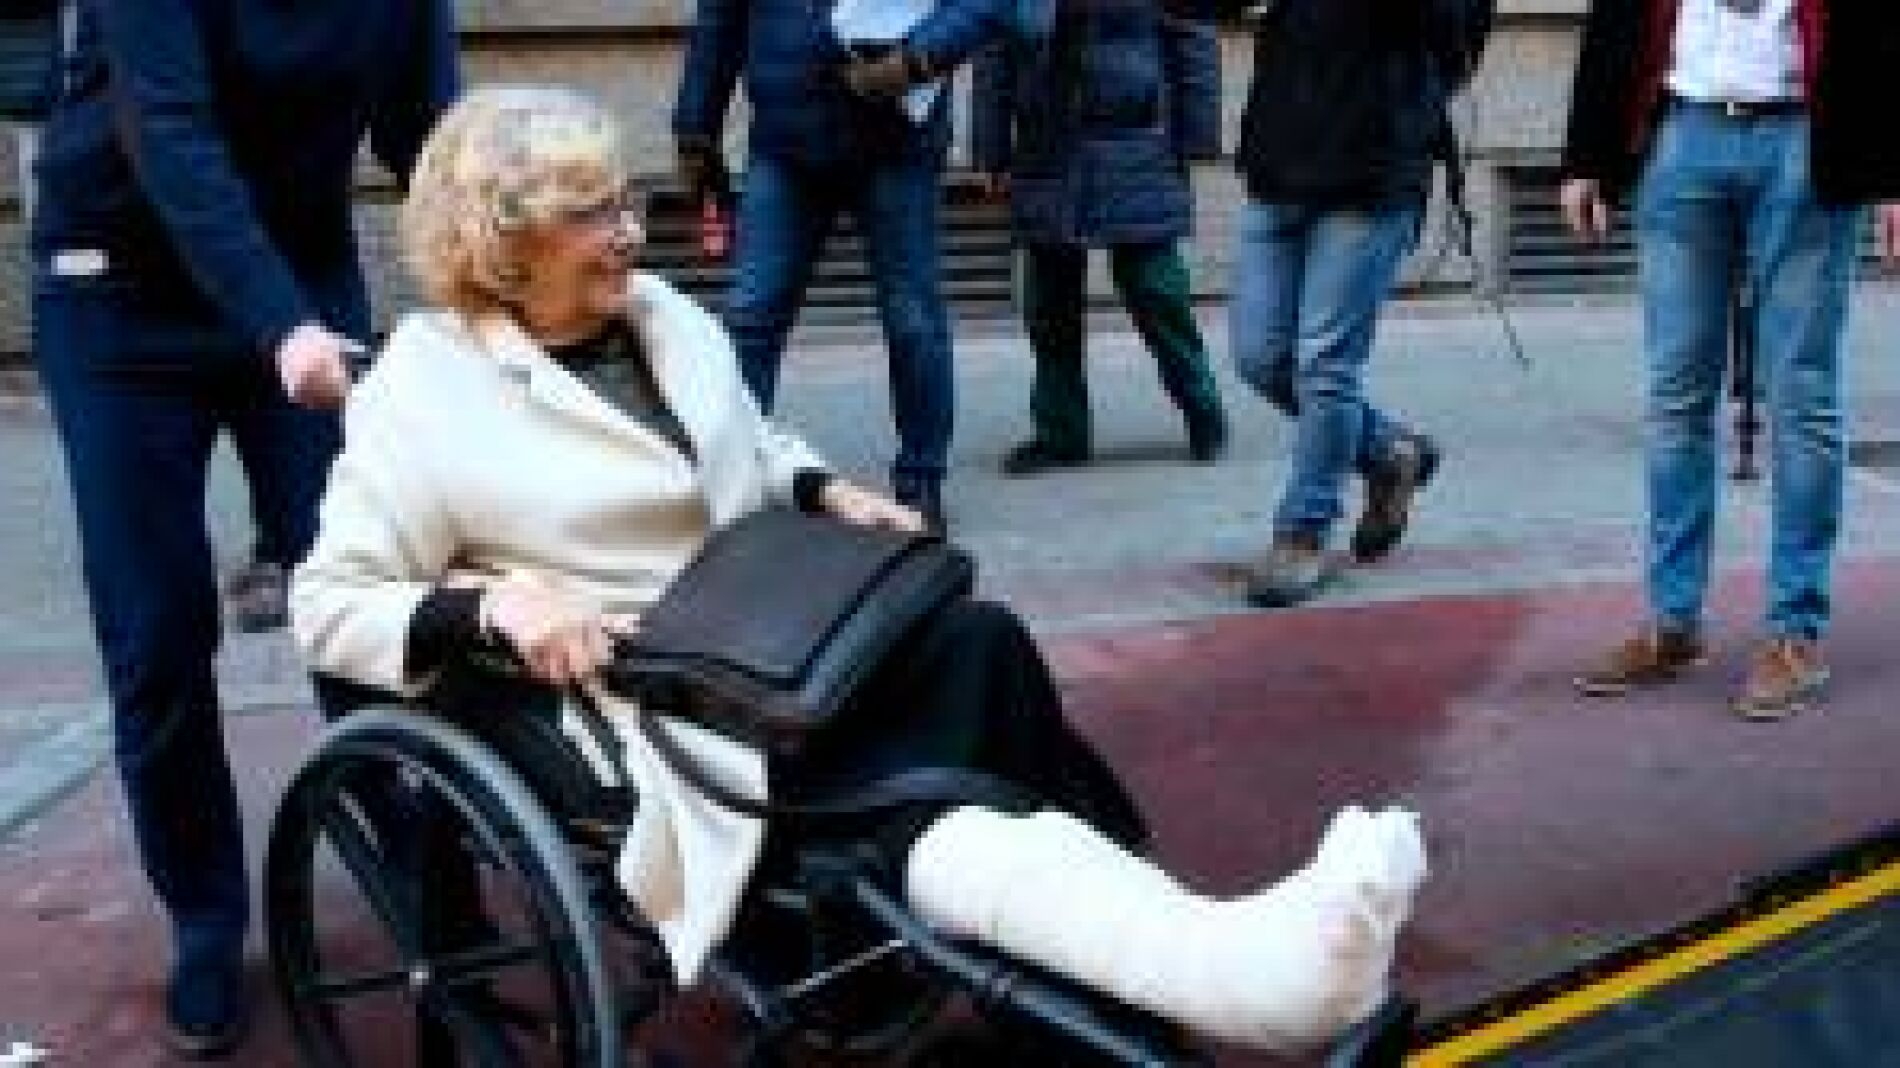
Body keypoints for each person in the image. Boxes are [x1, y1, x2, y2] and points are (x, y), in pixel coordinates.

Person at [292, 85, 1428, 1057]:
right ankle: (1209, 977)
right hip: (667, 708)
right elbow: (327, 602)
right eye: (594, 214)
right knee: (908, 789)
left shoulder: (662, 316)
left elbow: (748, 444)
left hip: (786, 630)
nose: (632, 232)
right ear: (504, 241)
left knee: (977, 642)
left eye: (625, 201)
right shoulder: (424, 393)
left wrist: (820, 489)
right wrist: (491, 602)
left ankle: (1147, 965)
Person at [28, 0, 458, 1055]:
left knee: (361, 589)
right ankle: (207, 921)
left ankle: (420, 873)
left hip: (302, 270)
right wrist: (281, 327)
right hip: (119, 296)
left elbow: (436, 142)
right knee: (157, 629)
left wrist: (519, 264)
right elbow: (170, 133)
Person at [1562, 0, 1900, 719]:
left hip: (1809, 137)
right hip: (1683, 133)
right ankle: (1674, 621)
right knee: (1676, 397)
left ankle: (1794, 632)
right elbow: (1614, 14)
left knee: (1802, 395)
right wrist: (1587, 155)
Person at [672, 0, 1022, 529]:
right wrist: (696, 129)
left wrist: (917, 60)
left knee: (913, 320)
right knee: (751, 315)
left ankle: (920, 481)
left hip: (896, 140)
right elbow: (720, 16)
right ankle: (733, 475)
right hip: (785, 139)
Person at [1193, 0, 1491, 608]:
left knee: (1326, 365)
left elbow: (1456, 45)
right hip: (1279, 159)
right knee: (1260, 357)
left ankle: (1303, 531)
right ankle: (1388, 453)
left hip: (1372, 172)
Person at [970, 0, 1229, 475]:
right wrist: (990, 149)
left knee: (1156, 291)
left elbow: (1194, 32)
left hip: (1137, 141)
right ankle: (1061, 433)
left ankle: (1203, 410)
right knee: (1048, 304)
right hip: (1046, 144)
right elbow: (994, 47)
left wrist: (1198, 138)